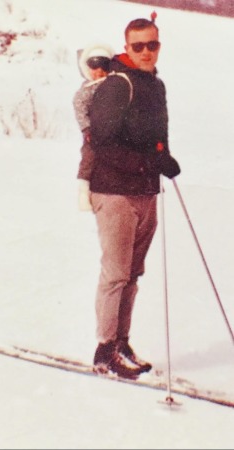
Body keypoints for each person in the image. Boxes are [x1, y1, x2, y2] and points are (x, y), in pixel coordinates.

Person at [88, 14, 181, 378]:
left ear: (159, 45)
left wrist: (163, 157)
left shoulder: (155, 85)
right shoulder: (118, 84)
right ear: (126, 48)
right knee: (115, 274)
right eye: (138, 46)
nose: (146, 52)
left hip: (144, 191)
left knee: (133, 273)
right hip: (114, 192)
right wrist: (149, 161)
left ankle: (121, 343)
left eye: (152, 44)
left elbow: (157, 134)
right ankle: (104, 351)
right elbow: (101, 141)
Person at [73, 44, 114, 211]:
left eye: (103, 66)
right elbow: (79, 107)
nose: (99, 71)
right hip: (93, 131)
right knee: (89, 156)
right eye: (94, 67)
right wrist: (86, 129)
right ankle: (84, 191)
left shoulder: (114, 84)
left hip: (112, 130)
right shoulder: (86, 89)